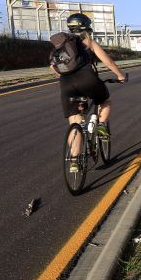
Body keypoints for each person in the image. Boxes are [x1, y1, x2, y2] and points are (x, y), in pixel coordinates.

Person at [52, 13, 125, 171]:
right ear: (86, 26)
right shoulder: (88, 41)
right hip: (87, 79)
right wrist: (120, 76)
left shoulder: (61, 44)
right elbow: (108, 61)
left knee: (76, 122)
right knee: (105, 101)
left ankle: (73, 161)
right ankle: (102, 126)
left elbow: (54, 68)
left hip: (65, 85)